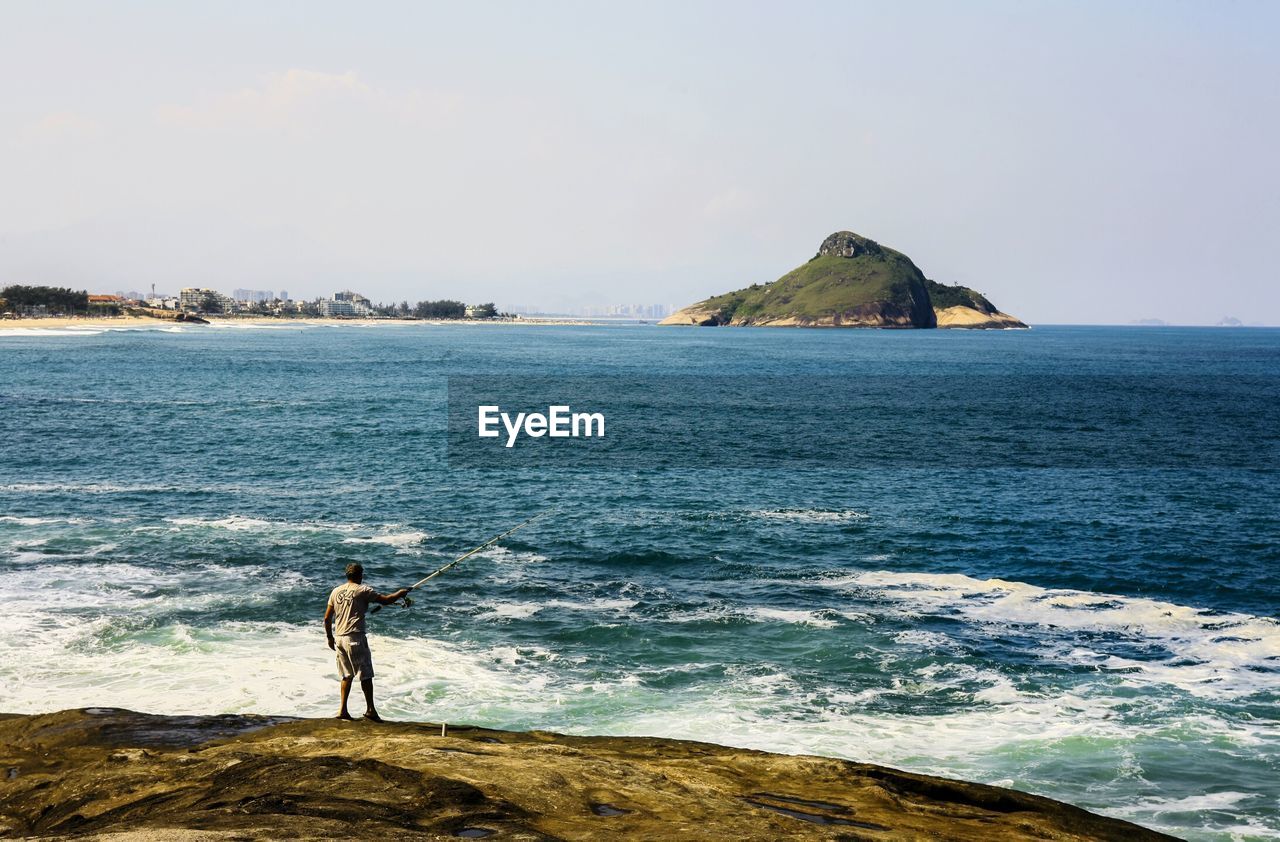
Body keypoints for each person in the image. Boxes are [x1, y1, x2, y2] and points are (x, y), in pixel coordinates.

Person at [323, 562, 410, 722]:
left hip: (340, 638)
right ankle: (370, 710)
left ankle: (342, 710)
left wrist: (330, 637)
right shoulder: (363, 590)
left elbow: (327, 618)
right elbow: (385, 600)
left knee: (346, 675)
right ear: (359, 575)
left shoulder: (335, 591)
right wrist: (400, 593)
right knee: (366, 675)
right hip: (355, 637)